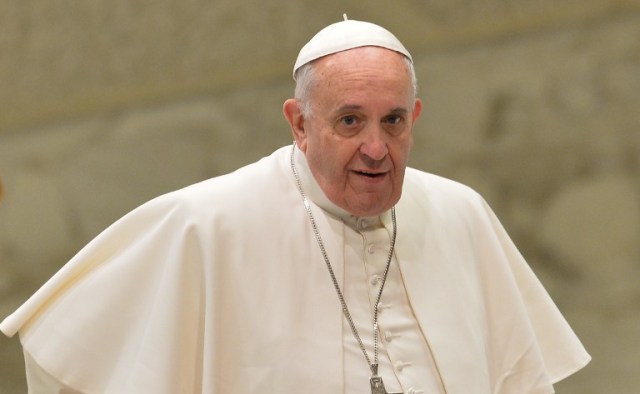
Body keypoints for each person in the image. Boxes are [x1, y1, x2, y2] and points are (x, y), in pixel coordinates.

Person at [1, 16, 589, 394]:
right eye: (349, 121)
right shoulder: (204, 225)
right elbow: (68, 360)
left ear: (414, 118)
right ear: (300, 123)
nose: (376, 149)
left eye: (392, 122)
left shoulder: (462, 214)